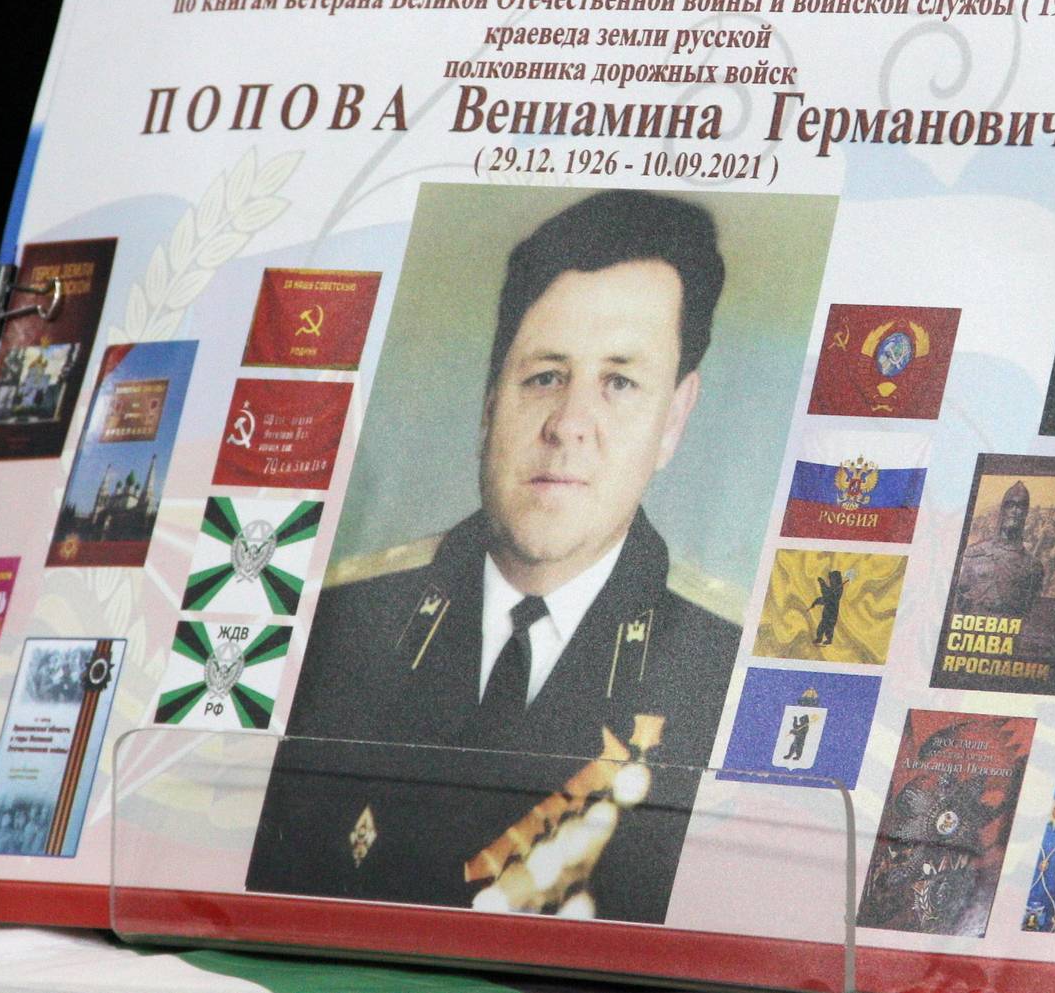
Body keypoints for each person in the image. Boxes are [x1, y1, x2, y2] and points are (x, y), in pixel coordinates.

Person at [246, 190, 739, 923]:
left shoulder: (725, 667)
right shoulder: (332, 626)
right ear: (489, 398)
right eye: (544, 375)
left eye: (619, 382)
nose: (568, 424)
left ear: (673, 419)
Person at [952, 481, 1043, 616]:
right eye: (1010, 505)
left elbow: (1030, 611)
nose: (1014, 511)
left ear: (1025, 513)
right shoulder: (973, 554)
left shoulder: (1033, 565)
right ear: (1002, 510)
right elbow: (957, 599)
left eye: (1020, 506)